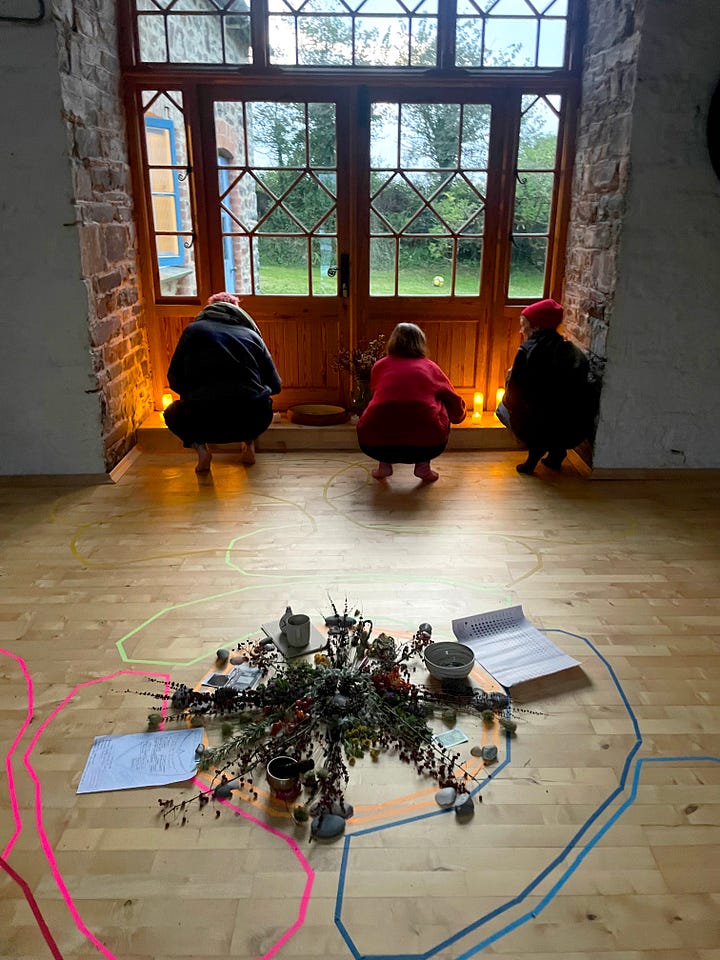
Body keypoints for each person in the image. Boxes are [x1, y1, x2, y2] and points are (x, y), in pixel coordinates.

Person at [163, 292, 282, 472]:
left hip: (202, 420)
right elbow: (276, 386)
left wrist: (191, 395)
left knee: (172, 412)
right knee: (258, 401)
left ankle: (202, 450)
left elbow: (174, 378)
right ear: (239, 313)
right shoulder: (252, 335)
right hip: (252, 419)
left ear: (208, 311)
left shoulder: (192, 331)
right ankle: (249, 445)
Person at [356, 322, 466, 483]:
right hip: (427, 444)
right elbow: (452, 399)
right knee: (435, 405)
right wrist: (458, 416)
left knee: (384, 407)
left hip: (372, 442)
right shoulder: (431, 367)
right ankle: (423, 466)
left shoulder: (379, 366)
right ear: (421, 343)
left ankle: (384, 465)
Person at [496, 298, 592, 475]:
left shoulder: (527, 352)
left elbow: (512, 399)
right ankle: (556, 452)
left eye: (524, 325)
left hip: (539, 425)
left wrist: (509, 378)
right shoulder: (572, 351)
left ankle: (534, 453)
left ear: (536, 327)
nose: (521, 330)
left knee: (502, 409)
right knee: (555, 410)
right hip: (575, 429)